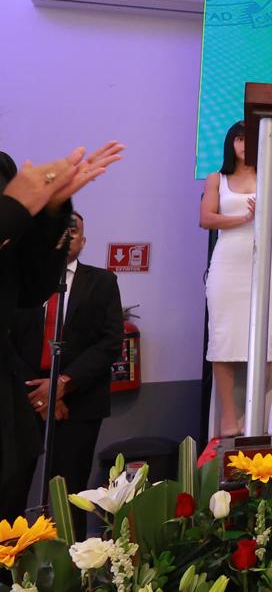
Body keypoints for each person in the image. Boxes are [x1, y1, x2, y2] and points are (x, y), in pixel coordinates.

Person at [0, 141, 123, 521]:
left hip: (26, 402)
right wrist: (15, 208)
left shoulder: (100, 282)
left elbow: (30, 290)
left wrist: (53, 211)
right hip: (24, 388)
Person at [14, 212, 123, 537]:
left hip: (80, 402)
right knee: (12, 484)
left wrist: (63, 384)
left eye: (73, 231)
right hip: (23, 399)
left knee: (70, 492)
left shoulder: (102, 282)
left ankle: (71, 561)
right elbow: (7, 339)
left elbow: (110, 342)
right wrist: (41, 396)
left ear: (83, 241)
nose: (66, 235)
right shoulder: (19, 281)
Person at [199, 122, 272, 438]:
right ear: (230, 143)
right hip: (227, 263)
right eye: (239, 138)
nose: (245, 144)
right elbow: (206, 219)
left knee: (263, 341)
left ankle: (254, 414)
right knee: (222, 338)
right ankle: (228, 416)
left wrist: (265, 214)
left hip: (262, 264)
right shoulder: (216, 179)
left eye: (251, 139)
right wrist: (245, 218)